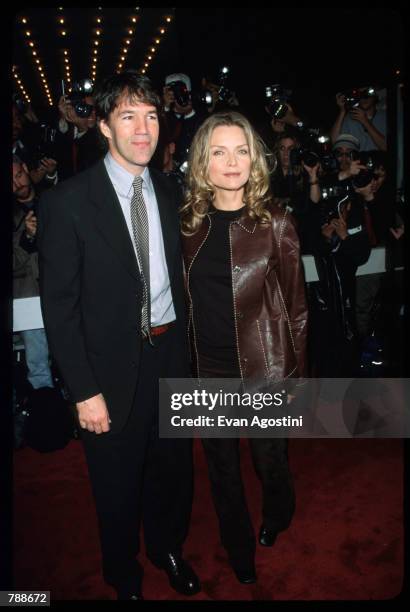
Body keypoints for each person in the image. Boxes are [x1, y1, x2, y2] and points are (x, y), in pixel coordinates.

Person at [37, 71, 200, 600]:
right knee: (116, 482)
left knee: (172, 469)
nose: (142, 128)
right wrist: (83, 390)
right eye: (128, 116)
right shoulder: (67, 203)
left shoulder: (173, 192)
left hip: (171, 352)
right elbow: (60, 307)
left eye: (151, 115)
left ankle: (167, 548)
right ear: (104, 125)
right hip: (107, 368)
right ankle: (123, 574)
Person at [180, 111, 308, 584]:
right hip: (208, 371)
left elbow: (297, 307)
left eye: (241, 150)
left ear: (254, 159)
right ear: (203, 162)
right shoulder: (187, 223)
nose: (231, 162)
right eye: (219, 151)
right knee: (221, 469)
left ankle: (277, 514)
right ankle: (237, 546)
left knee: (269, 459)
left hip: (264, 365)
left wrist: (298, 379)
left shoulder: (277, 223)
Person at [330, 87, 386, 152]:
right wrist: (342, 110)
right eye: (360, 94)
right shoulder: (350, 117)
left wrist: (365, 121)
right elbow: (335, 141)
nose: (364, 98)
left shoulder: (384, 116)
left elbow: (385, 146)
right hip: (358, 161)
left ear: (375, 96)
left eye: (367, 93)